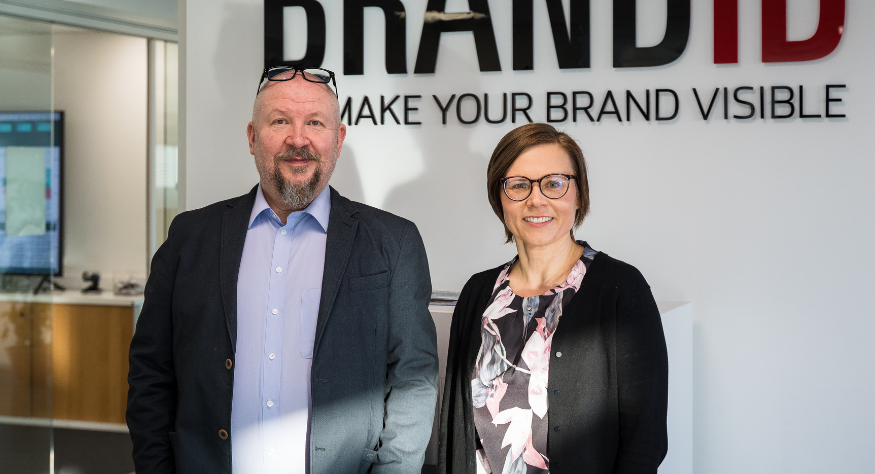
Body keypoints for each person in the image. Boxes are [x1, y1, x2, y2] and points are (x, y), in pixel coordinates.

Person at [127, 66, 439, 474]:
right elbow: (151, 374)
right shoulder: (190, 238)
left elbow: (413, 382)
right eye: (280, 121)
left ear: (338, 139)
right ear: (252, 138)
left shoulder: (393, 243)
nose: (298, 138)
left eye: (315, 123)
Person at [438, 123, 668, 474]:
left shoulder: (622, 289)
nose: (536, 199)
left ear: (579, 195)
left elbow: (644, 441)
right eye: (518, 185)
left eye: (554, 183)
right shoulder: (478, 293)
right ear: (499, 198)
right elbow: (454, 430)